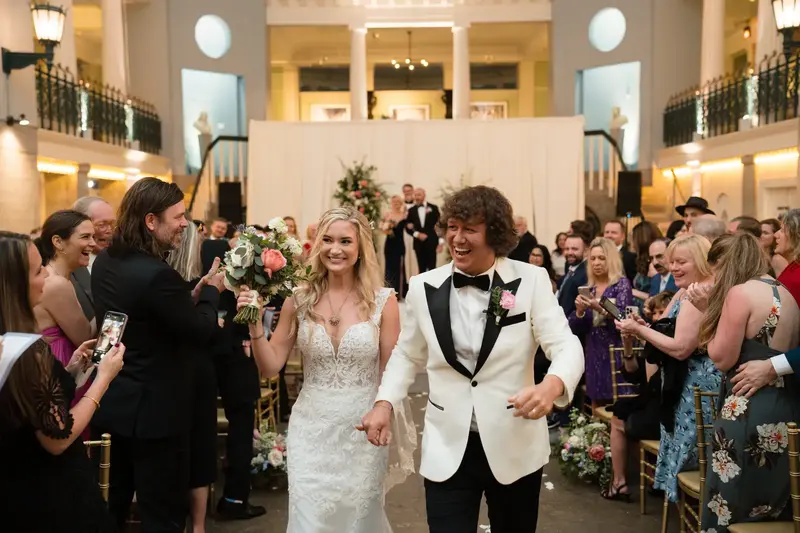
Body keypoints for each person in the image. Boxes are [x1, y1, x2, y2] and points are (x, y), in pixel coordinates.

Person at [360, 185, 584, 533]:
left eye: (470, 229)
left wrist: (552, 385)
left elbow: (566, 345)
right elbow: (406, 354)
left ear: (494, 233)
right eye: (452, 227)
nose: (457, 238)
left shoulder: (530, 281)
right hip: (448, 447)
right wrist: (383, 403)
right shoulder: (423, 286)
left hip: (515, 444)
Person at [240, 207, 415, 532]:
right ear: (318, 244)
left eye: (346, 241)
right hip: (311, 431)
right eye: (329, 240)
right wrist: (253, 326)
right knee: (310, 521)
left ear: (361, 246)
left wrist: (386, 412)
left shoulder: (383, 302)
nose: (336, 249)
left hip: (362, 431)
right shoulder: (299, 299)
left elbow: (391, 372)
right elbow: (270, 366)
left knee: (359, 520)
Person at [90, 178, 225, 532]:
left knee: (112, 507)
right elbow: (200, 332)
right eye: (178, 216)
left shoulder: (106, 261)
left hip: (116, 404)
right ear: (151, 221)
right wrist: (210, 294)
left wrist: (184, 298)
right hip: (158, 414)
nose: (185, 224)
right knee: (162, 515)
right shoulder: (157, 274)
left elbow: (144, 315)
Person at [0, 230, 125, 533]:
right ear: (15, 284)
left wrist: (68, 372)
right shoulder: (29, 351)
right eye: (38, 269)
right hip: (45, 492)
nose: (46, 275)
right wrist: (102, 381)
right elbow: (57, 438)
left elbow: (22, 403)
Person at [693, 233, 800, 532]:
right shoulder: (786, 293)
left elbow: (721, 358)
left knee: (731, 500)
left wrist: (706, 316)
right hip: (784, 409)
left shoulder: (739, 294)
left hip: (746, 407)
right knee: (770, 507)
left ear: (726, 265)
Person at [616, 234, 721, 503]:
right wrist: (643, 328)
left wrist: (640, 329)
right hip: (679, 384)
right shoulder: (686, 290)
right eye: (671, 261)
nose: (673, 267)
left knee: (695, 459)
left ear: (699, 260)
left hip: (695, 386)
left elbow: (680, 347)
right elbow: (665, 333)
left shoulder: (700, 293)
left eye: (681, 262)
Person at [167, 221, 219, 532]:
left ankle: (186, 523)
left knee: (185, 449)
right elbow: (203, 330)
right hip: (194, 370)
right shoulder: (178, 283)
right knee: (199, 448)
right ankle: (197, 526)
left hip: (178, 372)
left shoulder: (170, 280)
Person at [569, 237, 633, 405]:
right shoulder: (589, 290)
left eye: (602, 258)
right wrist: (580, 311)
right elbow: (574, 327)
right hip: (594, 352)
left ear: (611, 259)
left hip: (616, 351)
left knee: (618, 405)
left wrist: (598, 306)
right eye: (593, 258)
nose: (596, 263)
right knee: (596, 404)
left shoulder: (621, 284)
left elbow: (622, 316)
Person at [72, 196, 116, 321]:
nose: (109, 231)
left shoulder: (120, 260)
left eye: (113, 224)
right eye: (102, 225)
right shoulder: (70, 266)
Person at [405, 188, 442, 273]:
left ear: (424, 195)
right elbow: (407, 226)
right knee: (421, 269)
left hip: (432, 242)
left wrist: (441, 242)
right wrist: (417, 234)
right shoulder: (411, 210)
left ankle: (433, 286)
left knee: (432, 268)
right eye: (415, 195)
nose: (417, 197)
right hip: (418, 244)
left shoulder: (433, 208)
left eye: (419, 195)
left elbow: (440, 225)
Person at [382, 195, 408, 298]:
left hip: (400, 244)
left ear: (401, 203)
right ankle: (388, 293)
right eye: (394, 202)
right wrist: (387, 228)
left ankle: (398, 293)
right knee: (389, 268)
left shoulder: (404, 215)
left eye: (398, 202)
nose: (396, 204)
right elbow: (382, 230)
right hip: (389, 244)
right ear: (391, 203)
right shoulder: (387, 214)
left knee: (399, 268)